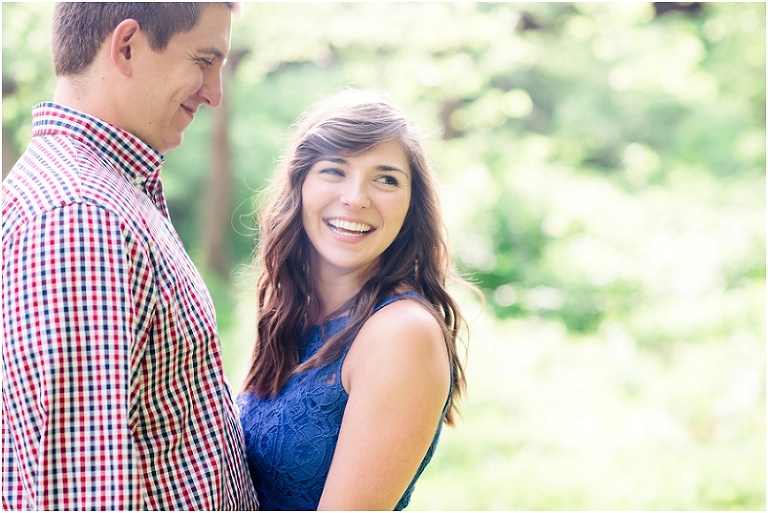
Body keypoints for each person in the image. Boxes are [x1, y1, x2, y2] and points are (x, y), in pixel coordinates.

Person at [2, 3, 259, 510]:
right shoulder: (80, 215)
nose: (214, 93)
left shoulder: (105, 194)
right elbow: (81, 494)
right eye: (204, 61)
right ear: (126, 46)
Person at [237, 89, 470, 510]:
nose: (356, 197)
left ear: (411, 204)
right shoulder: (290, 311)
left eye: (386, 179)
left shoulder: (402, 333)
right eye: (334, 170)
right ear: (300, 184)